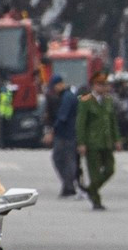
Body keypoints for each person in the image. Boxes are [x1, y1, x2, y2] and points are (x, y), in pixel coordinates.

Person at [76, 69, 120, 211]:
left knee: (110, 169)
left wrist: (117, 139)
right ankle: (96, 201)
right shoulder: (86, 101)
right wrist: (81, 143)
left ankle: (90, 189)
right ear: (93, 85)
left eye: (105, 84)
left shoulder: (108, 101)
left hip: (106, 142)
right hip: (92, 143)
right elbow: (81, 124)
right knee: (94, 173)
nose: (103, 87)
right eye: (100, 84)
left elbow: (113, 122)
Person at [44, 74, 80, 197]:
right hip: (66, 133)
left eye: (55, 87)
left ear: (60, 84)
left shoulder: (67, 97)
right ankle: (68, 185)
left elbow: (62, 117)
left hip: (67, 134)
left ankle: (69, 186)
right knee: (64, 159)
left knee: (62, 159)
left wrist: (52, 132)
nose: (54, 90)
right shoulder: (64, 96)